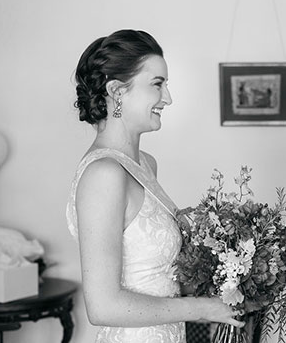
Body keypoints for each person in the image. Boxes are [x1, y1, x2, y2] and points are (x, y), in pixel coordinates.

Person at [65, 29, 244, 343]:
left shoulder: (145, 164)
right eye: (157, 84)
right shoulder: (104, 174)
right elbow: (103, 306)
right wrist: (202, 308)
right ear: (117, 91)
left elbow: (158, 277)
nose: (168, 98)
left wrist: (232, 274)